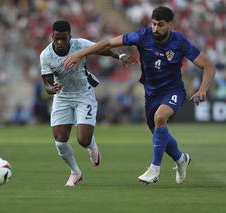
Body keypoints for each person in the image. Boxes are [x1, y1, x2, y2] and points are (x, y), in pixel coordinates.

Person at [64, 6, 215, 184]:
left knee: (160, 118)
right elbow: (108, 43)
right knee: (158, 131)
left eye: (160, 25)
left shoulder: (179, 42)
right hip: (151, 93)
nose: (155, 28)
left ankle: (154, 169)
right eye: (153, 24)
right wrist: (80, 54)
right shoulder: (143, 36)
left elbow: (208, 65)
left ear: (170, 25)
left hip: (173, 91)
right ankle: (181, 159)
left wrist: (203, 89)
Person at [40, 20, 134, 187]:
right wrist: (52, 88)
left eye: (63, 38)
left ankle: (92, 147)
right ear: (52, 37)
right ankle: (75, 172)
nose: (60, 42)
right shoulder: (45, 55)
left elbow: (102, 48)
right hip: (62, 97)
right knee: (60, 140)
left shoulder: (80, 44)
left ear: (70, 36)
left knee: (83, 139)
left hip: (84, 94)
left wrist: (119, 55)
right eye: (56, 39)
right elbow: (46, 83)